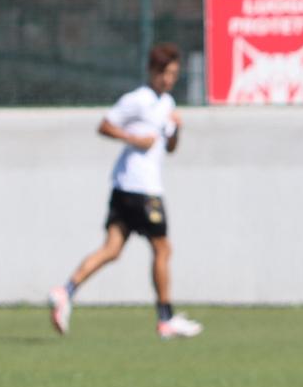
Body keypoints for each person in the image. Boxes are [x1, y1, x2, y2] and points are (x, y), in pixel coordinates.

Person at [48, 43, 203, 340]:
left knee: (112, 250)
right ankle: (165, 319)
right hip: (141, 188)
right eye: (165, 73)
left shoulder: (167, 104)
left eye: (173, 74)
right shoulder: (138, 100)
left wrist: (177, 129)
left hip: (126, 187)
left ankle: (65, 292)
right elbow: (104, 126)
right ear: (152, 72)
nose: (169, 80)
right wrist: (133, 138)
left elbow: (170, 148)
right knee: (162, 248)